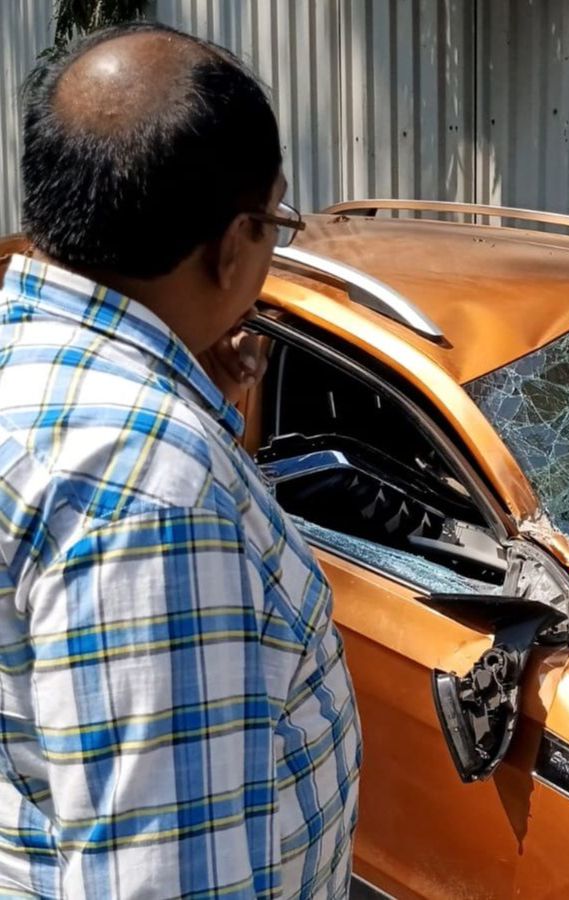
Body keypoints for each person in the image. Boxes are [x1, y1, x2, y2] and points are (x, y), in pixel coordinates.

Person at [0, 23, 360, 894]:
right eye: (277, 223)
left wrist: (193, 406)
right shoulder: (150, 485)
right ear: (233, 244)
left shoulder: (26, 362)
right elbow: (162, 877)